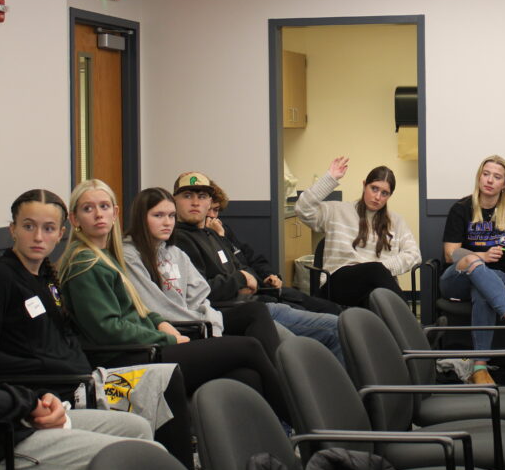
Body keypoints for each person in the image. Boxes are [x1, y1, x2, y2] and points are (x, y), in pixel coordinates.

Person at [0, 175, 157, 470]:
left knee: (138, 429)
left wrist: (32, 402)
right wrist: (27, 403)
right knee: (144, 458)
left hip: (15, 417)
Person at [0, 189, 194, 469]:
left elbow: (65, 337)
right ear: (12, 229)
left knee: (154, 403)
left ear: (61, 232)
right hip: (51, 394)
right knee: (148, 439)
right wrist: (51, 369)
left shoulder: (45, 277)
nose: (38, 237)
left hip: (82, 380)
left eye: (48, 228)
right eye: (28, 227)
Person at [57, 178, 291, 422]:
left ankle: (260, 443)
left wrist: (160, 323)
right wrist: (167, 336)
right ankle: (301, 421)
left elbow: (142, 308)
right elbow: (108, 329)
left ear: (115, 213)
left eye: (104, 207)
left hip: (156, 342)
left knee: (247, 375)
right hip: (134, 357)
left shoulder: (107, 256)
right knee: (249, 347)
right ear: (74, 219)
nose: (98, 215)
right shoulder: (86, 263)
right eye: (88, 209)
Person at [171, 171, 343, 361]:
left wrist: (250, 277)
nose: (195, 202)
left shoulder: (213, 234)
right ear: (175, 200)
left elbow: (241, 265)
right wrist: (241, 279)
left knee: (339, 323)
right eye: (187, 196)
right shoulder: (178, 241)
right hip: (239, 312)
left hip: (259, 300)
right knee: (331, 334)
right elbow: (202, 292)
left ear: (210, 201)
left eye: (202, 197)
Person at [122, 187, 282, 361]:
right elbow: (155, 307)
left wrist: (212, 325)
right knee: (251, 347)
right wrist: (204, 327)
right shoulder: (130, 255)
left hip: (200, 322)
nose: (167, 222)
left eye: (171, 216)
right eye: (158, 215)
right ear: (141, 219)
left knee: (256, 318)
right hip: (177, 330)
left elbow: (199, 294)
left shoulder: (175, 251)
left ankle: (284, 382)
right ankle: (285, 383)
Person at [440, 154, 505, 385]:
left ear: (504, 184)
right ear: (479, 177)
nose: (490, 180)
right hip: (457, 279)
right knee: (474, 263)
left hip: (496, 279)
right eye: (486, 174)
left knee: (483, 290)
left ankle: (480, 368)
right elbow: (450, 253)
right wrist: (481, 256)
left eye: (497, 176)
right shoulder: (461, 208)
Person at [296, 157, 421, 308]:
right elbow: (303, 209)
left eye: (384, 193)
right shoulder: (337, 211)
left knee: (376, 299)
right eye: (374, 188)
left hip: (374, 286)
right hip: (338, 285)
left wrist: (383, 268)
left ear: (389, 196)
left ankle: (403, 328)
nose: (377, 197)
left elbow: (414, 255)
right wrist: (329, 179)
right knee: (375, 271)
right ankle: (413, 326)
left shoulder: (396, 221)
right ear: (364, 185)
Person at [208, 180, 340, 314]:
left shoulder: (224, 229)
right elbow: (228, 270)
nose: (213, 215)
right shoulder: (206, 239)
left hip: (266, 288)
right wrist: (220, 238)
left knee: (327, 308)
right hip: (250, 300)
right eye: (209, 210)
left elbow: (253, 258)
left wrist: (270, 276)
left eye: (216, 210)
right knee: (315, 317)